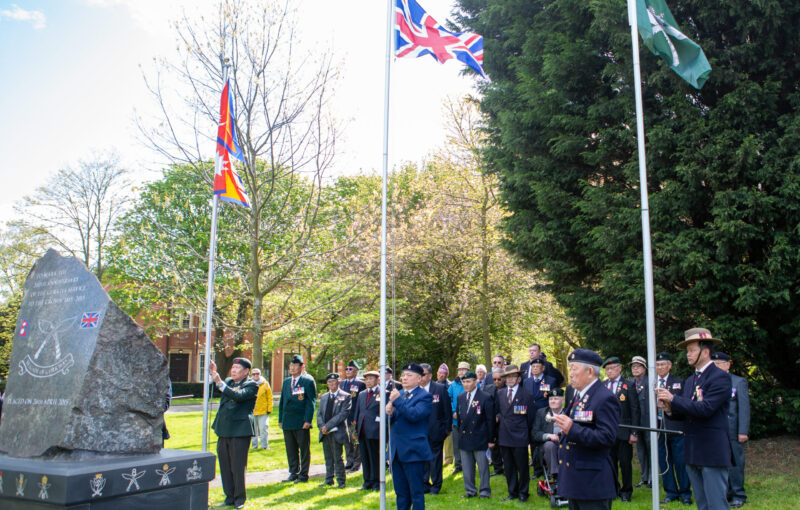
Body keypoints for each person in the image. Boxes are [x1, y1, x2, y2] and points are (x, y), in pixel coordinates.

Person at [656, 328, 732, 510]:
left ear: (705, 352)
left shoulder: (720, 377)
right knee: (702, 504)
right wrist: (669, 409)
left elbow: (705, 409)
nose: (687, 355)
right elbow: (686, 412)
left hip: (712, 451)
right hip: (692, 450)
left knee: (716, 504)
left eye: (691, 350)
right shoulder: (691, 380)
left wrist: (674, 399)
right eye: (687, 351)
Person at [551, 349, 620, 510]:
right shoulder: (579, 395)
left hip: (592, 483)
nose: (571, 373)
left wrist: (572, 429)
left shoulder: (605, 397)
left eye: (574, 368)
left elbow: (607, 437)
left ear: (589, 371)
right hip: (576, 481)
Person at [209, 357, 258, 509]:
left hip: (239, 431)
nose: (234, 371)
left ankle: (239, 499)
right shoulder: (229, 382)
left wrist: (219, 382)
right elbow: (217, 389)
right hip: (224, 429)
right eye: (233, 368)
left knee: (237, 466)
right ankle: (229, 497)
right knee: (224, 465)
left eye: (237, 369)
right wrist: (213, 374)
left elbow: (238, 396)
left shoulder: (251, 384)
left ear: (246, 371)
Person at [386, 363, 433, 510]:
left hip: (413, 452)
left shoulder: (425, 396)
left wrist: (397, 402)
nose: (404, 378)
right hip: (396, 451)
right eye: (404, 375)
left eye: (409, 375)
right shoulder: (398, 394)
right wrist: (389, 412)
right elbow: (392, 422)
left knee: (416, 493)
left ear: (419, 379)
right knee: (401, 493)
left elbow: (415, 415)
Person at [711, 352, 750, 508]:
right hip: (716, 431)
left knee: (736, 463)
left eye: (720, 363)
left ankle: (739, 494)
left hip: (733, 430)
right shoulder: (711, 382)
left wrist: (743, 431)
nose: (717, 366)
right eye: (714, 364)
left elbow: (744, 408)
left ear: (728, 364)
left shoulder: (738, 382)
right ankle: (725, 492)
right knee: (720, 463)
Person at [655, 352, 693, 505]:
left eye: (663, 364)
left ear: (669, 365)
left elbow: (683, 404)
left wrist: (669, 409)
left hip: (676, 427)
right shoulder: (651, 383)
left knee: (680, 461)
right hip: (657, 429)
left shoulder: (678, 382)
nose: (660, 367)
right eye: (658, 365)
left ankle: (685, 493)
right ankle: (670, 492)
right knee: (664, 462)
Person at [602, 356, 640, 502]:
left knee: (625, 463)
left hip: (624, 432)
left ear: (620, 369)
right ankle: (614, 489)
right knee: (610, 463)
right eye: (607, 369)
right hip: (607, 432)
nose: (610, 371)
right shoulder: (603, 385)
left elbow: (635, 409)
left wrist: (634, 432)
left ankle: (626, 491)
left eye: (612, 368)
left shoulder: (628, 385)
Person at [495, 363, 535, 502]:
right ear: (505, 379)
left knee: (522, 467)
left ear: (519, 378)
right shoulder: (499, 393)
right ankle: (512, 492)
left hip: (520, 436)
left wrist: (525, 433)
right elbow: (499, 412)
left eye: (514, 377)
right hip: (504, 435)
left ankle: (524, 492)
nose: (511, 379)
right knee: (509, 467)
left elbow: (530, 418)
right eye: (508, 377)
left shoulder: (526, 395)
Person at [278, 354, 317, 483]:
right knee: (291, 449)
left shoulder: (307, 381)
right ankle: (293, 472)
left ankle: (303, 474)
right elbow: (282, 401)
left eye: (295, 365)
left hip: (301, 421)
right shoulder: (286, 382)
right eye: (291, 365)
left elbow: (310, 402)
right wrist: (280, 419)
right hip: (288, 420)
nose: (292, 368)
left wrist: (308, 420)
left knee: (304, 449)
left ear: (302, 367)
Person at [456, 370, 495, 499]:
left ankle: (484, 491)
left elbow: (490, 420)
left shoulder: (485, 397)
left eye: (469, 381)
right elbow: (461, 419)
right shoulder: (460, 397)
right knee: (467, 468)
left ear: (475, 382)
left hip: (480, 437)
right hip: (465, 438)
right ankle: (470, 491)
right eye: (464, 382)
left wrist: (491, 439)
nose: (466, 384)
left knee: (483, 467)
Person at [420, 363, 451, 494]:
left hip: (436, 431)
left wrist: (446, 430)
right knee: (422, 460)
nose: (420, 377)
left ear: (430, 375)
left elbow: (447, 411)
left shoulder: (439, 389)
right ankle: (424, 484)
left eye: (423, 374)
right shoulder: (415, 390)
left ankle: (436, 485)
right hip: (419, 432)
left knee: (435, 460)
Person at [522, 357, 556, 476]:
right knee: (533, 442)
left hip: (545, 414)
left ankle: (548, 467)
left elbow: (554, 396)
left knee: (545, 440)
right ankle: (537, 470)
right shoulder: (527, 381)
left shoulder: (550, 380)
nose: (535, 368)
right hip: (531, 414)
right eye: (533, 367)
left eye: (537, 366)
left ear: (543, 368)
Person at [353, 370, 386, 491]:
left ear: (377, 380)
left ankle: (377, 481)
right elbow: (357, 412)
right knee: (365, 457)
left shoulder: (382, 393)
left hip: (375, 430)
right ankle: (367, 481)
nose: (368, 381)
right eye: (366, 379)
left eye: (371, 379)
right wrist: (354, 430)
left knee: (375, 457)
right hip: (362, 430)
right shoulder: (362, 394)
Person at [318, 373, 352, 489]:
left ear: (338, 382)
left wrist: (327, 426)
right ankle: (328, 479)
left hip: (337, 431)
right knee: (328, 457)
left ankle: (341, 482)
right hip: (325, 432)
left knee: (338, 458)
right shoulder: (324, 397)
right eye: (329, 382)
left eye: (334, 382)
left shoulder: (346, 396)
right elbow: (319, 414)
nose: (332, 384)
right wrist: (322, 427)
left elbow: (342, 414)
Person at [531, 387, 565, 489]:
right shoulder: (542, 413)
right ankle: (556, 477)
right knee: (550, 445)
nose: (553, 401)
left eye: (556, 399)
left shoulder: (568, 413)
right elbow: (535, 433)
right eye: (551, 399)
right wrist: (548, 436)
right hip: (548, 448)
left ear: (562, 400)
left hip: (566, 445)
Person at [339, 360, 366, 473]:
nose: (348, 371)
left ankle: (356, 463)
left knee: (356, 441)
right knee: (347, 441)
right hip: (344, 417)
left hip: (355, 416)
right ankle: (349, 461)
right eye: (347, 369)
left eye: (351, 369)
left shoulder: (360, 384)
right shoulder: (342, 383)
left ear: (356, 371)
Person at [630, 355, 651, 488]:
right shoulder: (630, 383)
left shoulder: (649, 382)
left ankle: (652, 478)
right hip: (636, 422)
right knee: (641, 451)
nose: (635, 369)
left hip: (648, 421)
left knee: (650, 450)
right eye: (633, 366)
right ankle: (644, 477)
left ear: (644, 368)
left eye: (638, 366)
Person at [447, 362, 469, 472]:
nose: (461, 372)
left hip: (469, 420)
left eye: (464, 369)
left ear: (469, 370)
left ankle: (469, 465)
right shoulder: (453, 385)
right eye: (459, 369)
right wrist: (452, 411)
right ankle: (458, 466)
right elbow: (448, 399)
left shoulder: (474, 383)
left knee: (468, 443)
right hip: (456, 420)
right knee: (456, 444)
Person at [487, 368, 506, 476]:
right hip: (491, 421)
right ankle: (497, 468)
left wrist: (499, 417)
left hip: (504, 421)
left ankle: (508, 466)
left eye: (499, 379)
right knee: (493, 445)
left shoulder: (508, 389)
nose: (496, 382)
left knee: (504, 446)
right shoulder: (489, 389)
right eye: (494, 379)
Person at [250, 368, 273, 450]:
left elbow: (270, 397)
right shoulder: (249, 384)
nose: (255, 375)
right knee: (253, 431)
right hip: (252, 411)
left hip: (263, 411)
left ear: (260, 374)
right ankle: (254, 446)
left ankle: (264, 446)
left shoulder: (265, 384)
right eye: (254, 374)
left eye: (257, 373)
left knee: (264, 429)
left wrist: (269, 409)